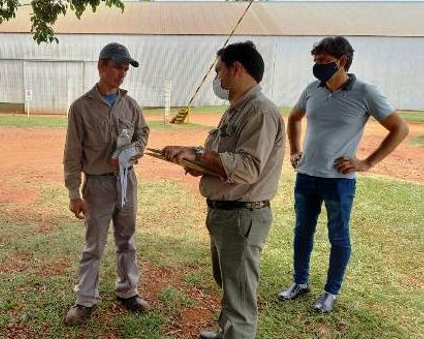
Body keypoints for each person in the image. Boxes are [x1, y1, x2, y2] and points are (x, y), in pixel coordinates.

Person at [278, 36, 409, 312]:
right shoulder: (312, 89)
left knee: (338, 235)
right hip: (307, 176)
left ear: (343, 62)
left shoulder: (366, 92)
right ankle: (299, 282)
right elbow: (294, 118)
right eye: (315, 61)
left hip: (339, 181)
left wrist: (366, 163)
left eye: (324, 62)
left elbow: (399, 129)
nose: (317, 67)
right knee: (303, 231)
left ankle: (330, 292)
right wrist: (295, 150)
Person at [163, 41, 284, 339]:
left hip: (243, 216)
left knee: (240, 295)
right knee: (230, 283)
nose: (217, 79)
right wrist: (192, 156)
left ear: (237, 69)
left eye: (219, 71)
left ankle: (235, 332)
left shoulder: (260, 111)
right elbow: (220, 157)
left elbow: (247, 167)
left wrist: (199, 157)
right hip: (226, 214)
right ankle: (226, 331)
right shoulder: (236, 110)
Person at [63, 42, 150, 325]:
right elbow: (72, 153)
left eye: (125, 69)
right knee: (94, 245)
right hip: (97, 185)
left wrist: (131, 152)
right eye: (117, 68)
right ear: (101, 66)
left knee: (127, 239)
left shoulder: (130, 104)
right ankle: (85, 300)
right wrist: (74, 192)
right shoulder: (81, 108)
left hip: (126, 181)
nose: (121, 74)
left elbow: (143, 134)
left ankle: (128, 292)